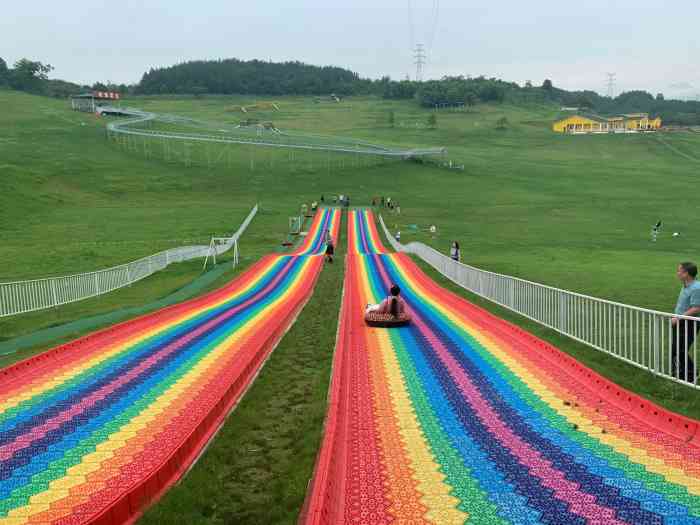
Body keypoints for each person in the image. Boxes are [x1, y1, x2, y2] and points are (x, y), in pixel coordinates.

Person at [671, 262, 700, 381]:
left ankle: (691, 374)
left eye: (680, 271)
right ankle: (679, 373)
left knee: (680, 349)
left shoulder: (696, 288)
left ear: (686, 273)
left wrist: (678, 318)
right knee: (676, 348)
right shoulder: (686, 285)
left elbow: (696, 308)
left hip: (689, 323)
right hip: (680, 321)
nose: (677, 273)